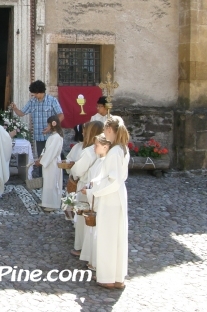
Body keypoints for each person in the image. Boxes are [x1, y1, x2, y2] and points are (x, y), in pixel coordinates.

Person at [83, 116, 129, 289]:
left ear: (109, 130)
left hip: (110, 197)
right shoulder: (122, 148)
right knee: (117, 236)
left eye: (105, 130)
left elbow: (114, 180)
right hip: (117, 195)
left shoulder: (115, 151)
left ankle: (107, 277)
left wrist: (95, 191)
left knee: (107, 237)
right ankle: (117, 276)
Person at [68, 121, 104, 256]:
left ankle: (81, 247)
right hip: (95, 188)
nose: (82, 132)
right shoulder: (103, 150)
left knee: (83, 219)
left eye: (85, 130)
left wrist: (73, 172)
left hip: (85, 187)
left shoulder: (89, 152)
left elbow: (78, 170)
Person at [80, 133, 112, 270]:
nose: (94, 147)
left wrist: (89, 191)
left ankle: (97, 262)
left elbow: (103, 184)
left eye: (97, 145)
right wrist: (88, 186)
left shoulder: (106, 163)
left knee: (97, 234)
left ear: (105, 147)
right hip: (92, 196)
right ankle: (92, 259)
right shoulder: (99, 161)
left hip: (99, 201)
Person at [10, 80, 64, 157]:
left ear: (41, 92)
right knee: (41, 159)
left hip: (52, 136)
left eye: (35, 93)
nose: (34, 95)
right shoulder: (32, 102)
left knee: (53, 157)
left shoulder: (52, 100)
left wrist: (51, 127)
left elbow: (61, 116)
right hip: (39, 136)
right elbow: (21, 113)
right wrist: (15, 108)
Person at [34, 115, 63, 212]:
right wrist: (40, 157)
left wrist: (42, 162)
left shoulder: (56, 137)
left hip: (53, 163)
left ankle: (53, 203)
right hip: (48, 162)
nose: (47, 126)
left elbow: (51, 152)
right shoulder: (53, 136)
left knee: (52, 183)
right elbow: (46, 150)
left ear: (52, 124)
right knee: (47, 182)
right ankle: (46, 201)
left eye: (48, 124)